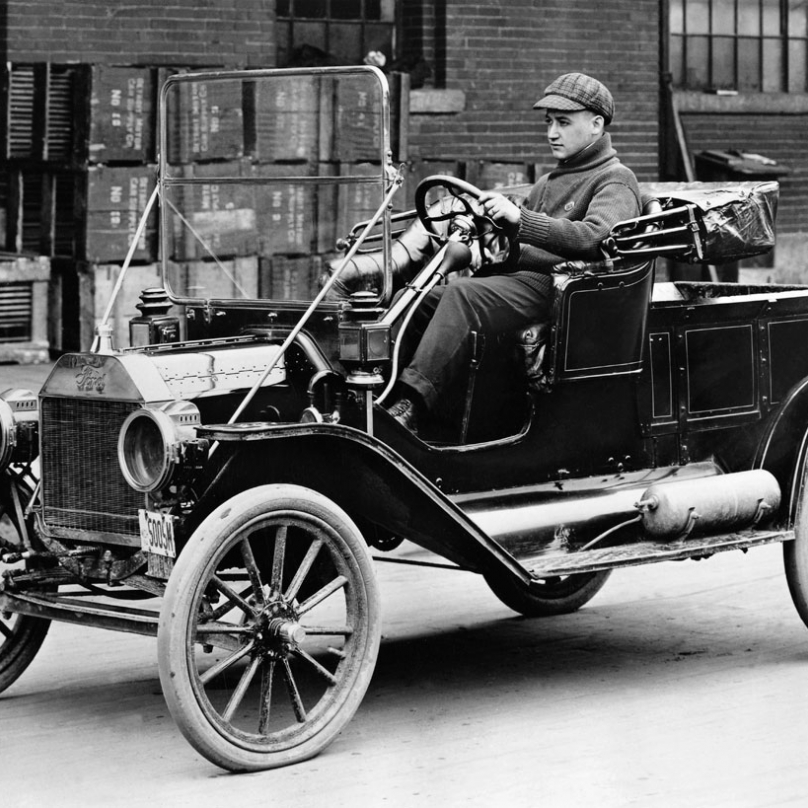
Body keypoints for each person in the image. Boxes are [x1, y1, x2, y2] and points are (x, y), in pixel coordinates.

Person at [386, 72, 642, 434]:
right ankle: (380, 391)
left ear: (596, 125)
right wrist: (496, 233)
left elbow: (596, 238)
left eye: (563, 122)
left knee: (463, 296)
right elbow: (522, 246)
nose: (552, 132)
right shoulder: (549, 182)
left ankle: (411, 407)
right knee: (413, 299)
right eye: (549, 122)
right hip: (525, 284)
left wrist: (520, 220)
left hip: (563, 295)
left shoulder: (615, 179)